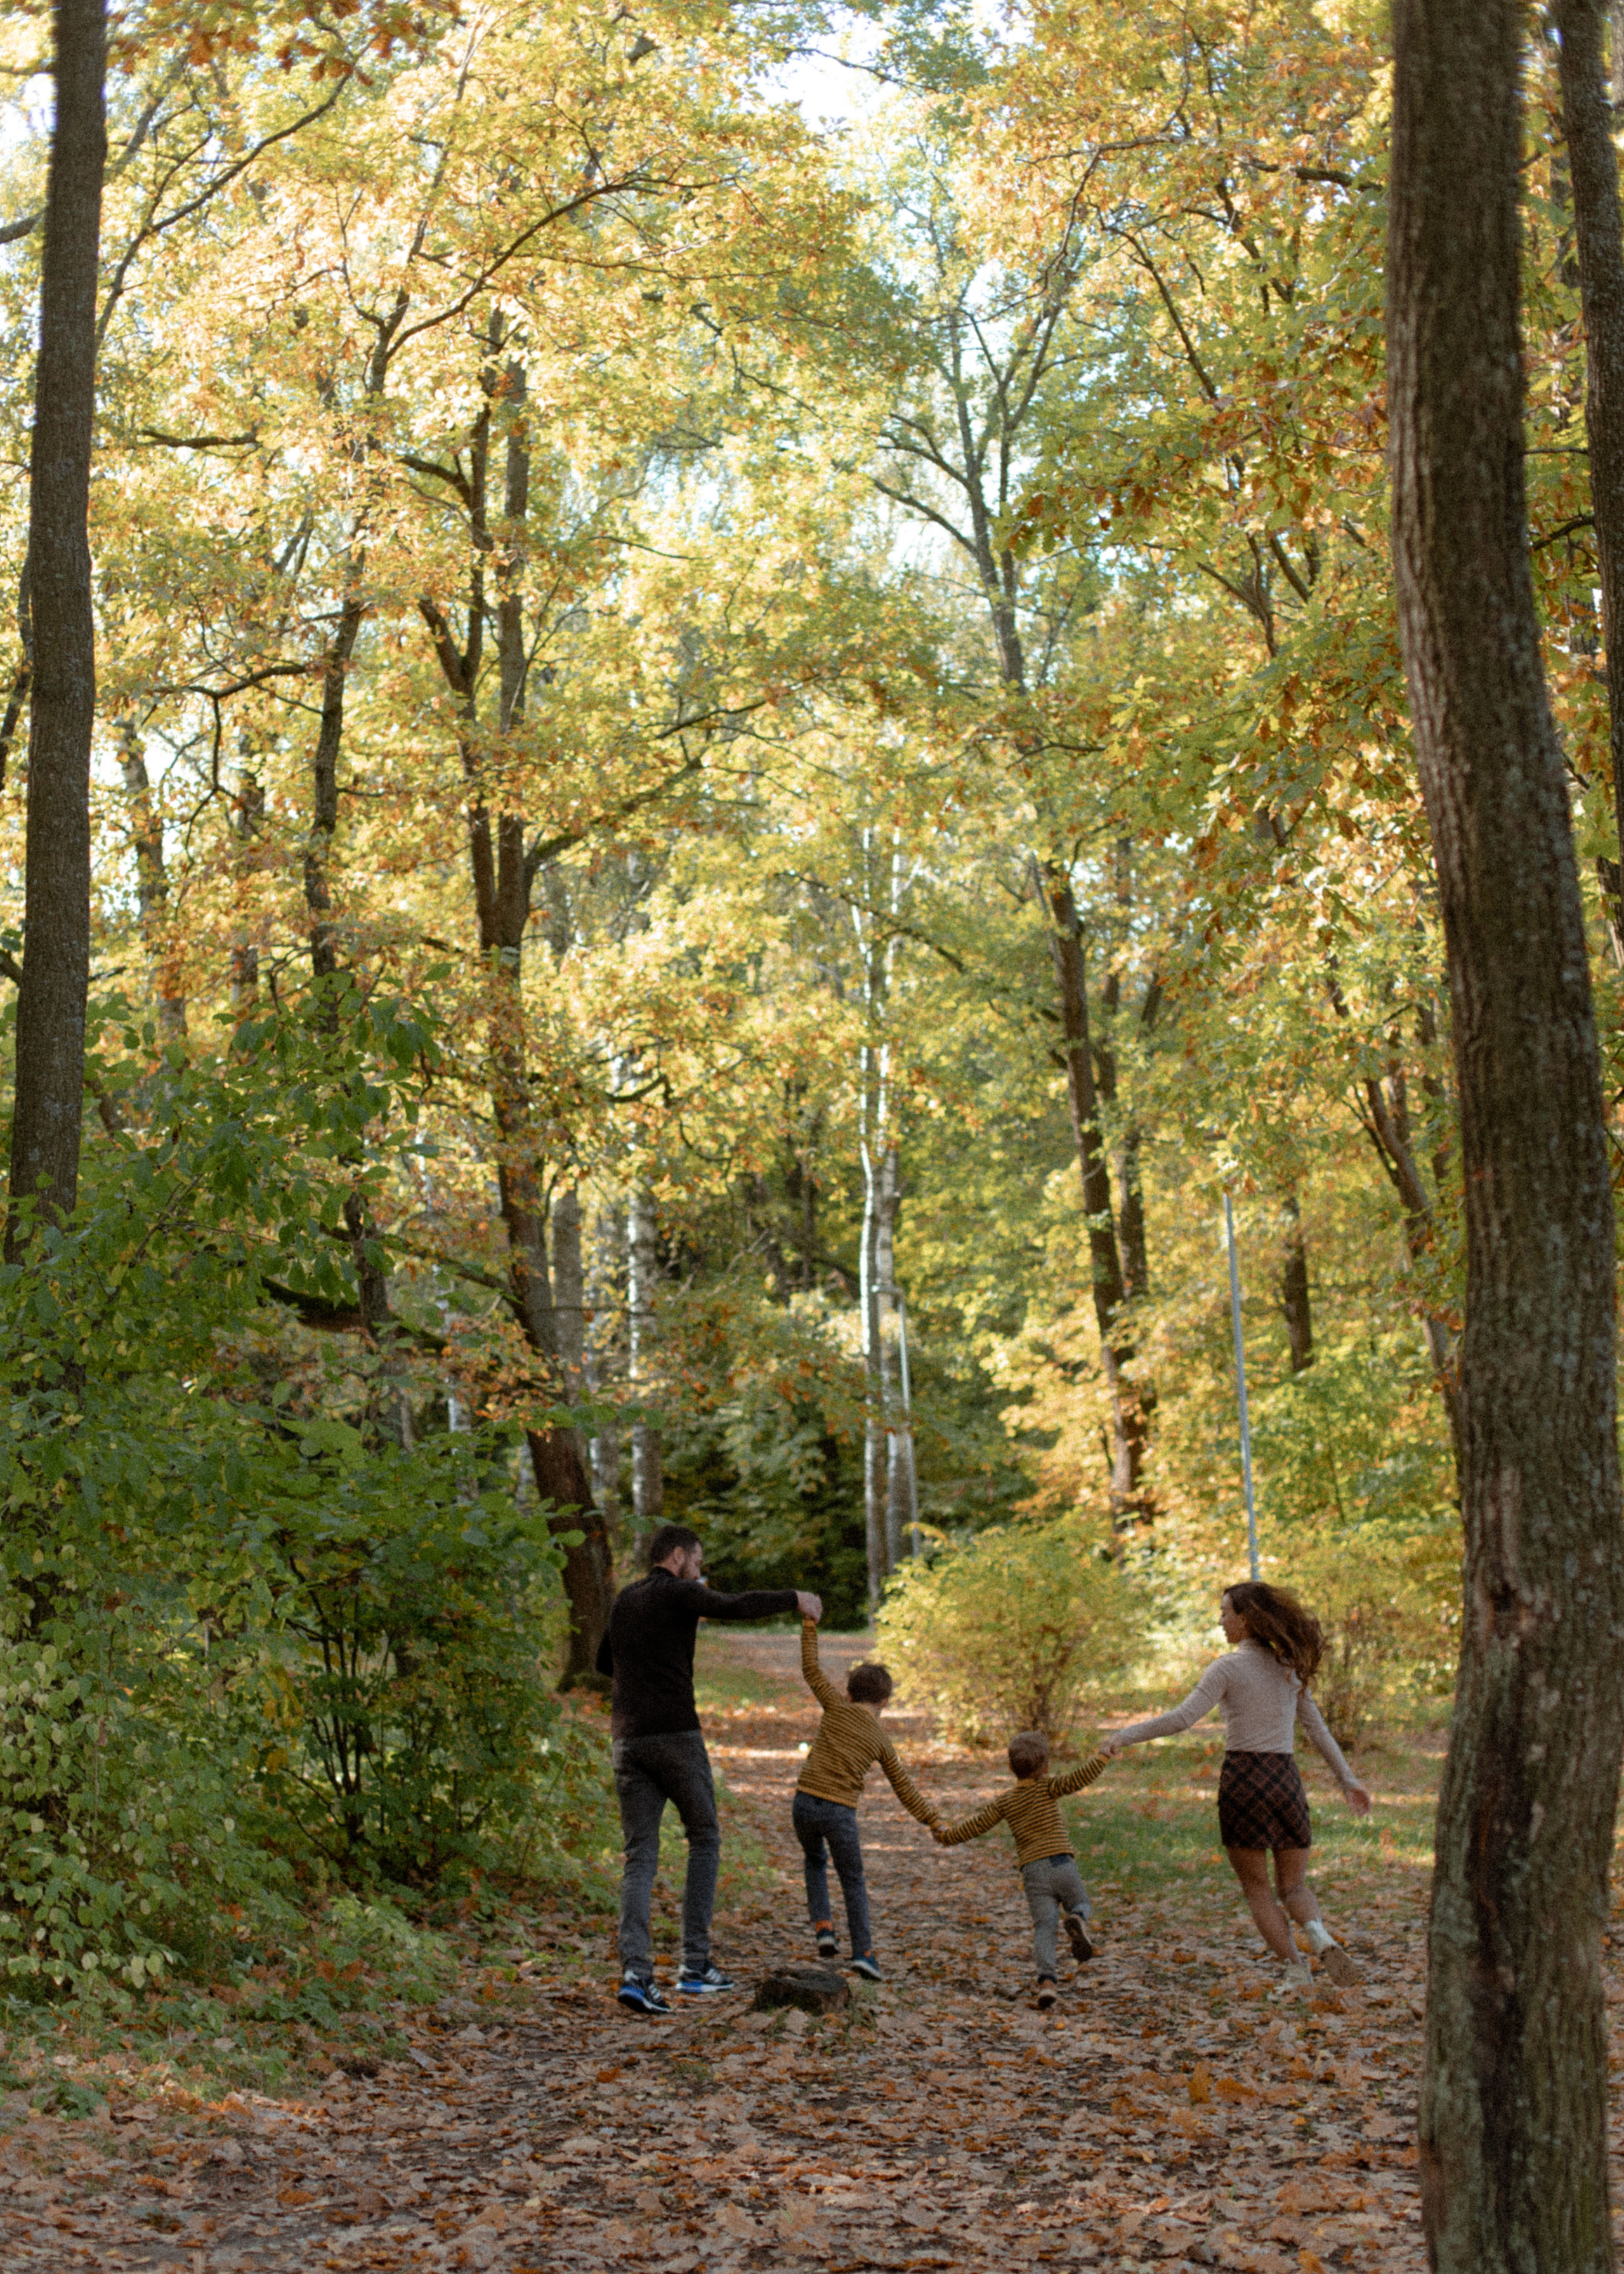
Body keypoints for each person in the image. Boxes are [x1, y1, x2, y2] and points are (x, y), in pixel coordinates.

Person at [596, 1523, 822, 2016]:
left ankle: (636, 1973)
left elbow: (603, 1662)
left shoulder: (624, 1600)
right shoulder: (678, 1593)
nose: (702, 1573)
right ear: (677, 1557)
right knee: (705, 1836)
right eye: (698, 1562)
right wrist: (794, 1596)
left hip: (627, 1741)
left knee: (640, 1856)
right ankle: (695, 1966)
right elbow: (735, 1605)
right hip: (675, 1735)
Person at [1102, 1579, 1372, 1992]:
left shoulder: (1227, 1667)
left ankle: (1297, 1971)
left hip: (1244, 1781)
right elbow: (1317, 1730)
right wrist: (1348, 1781)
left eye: (1226, 1613)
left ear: (1245, 1620)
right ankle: (1319, 1934)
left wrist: (1124, 1735)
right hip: (1285, 1781)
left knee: (1258, 1889)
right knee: (1294, 1886)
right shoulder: (1289, 1668)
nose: (1220, 1620)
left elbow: (1182, 1719)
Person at [792, 1618, 940, 1982]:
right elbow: (904, 1788)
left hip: (804, 1803)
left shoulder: (835, 1706)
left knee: (814, 1860)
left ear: (848, 1694)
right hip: (839, 1812)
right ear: (885, 1702)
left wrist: (810, 1624)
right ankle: (864, 1954)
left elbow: (810, 1668)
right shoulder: (880, 1738)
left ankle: (824, 1928)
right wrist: (933, 1820)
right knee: (852, 1880)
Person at [933, 1728, 1110, 2010]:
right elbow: (1079, 1778)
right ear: (1047, 1766)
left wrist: (947, 1836)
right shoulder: (1048, 1786)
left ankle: (1047, 1984)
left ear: (1010, 1767)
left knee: (1044, 1926)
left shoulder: (1006, 1801)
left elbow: (977, 1824)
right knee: (1081, 1902)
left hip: (1033, 1872)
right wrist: (1102, 1758)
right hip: (1060, 1862)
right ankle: (1077, 1918)